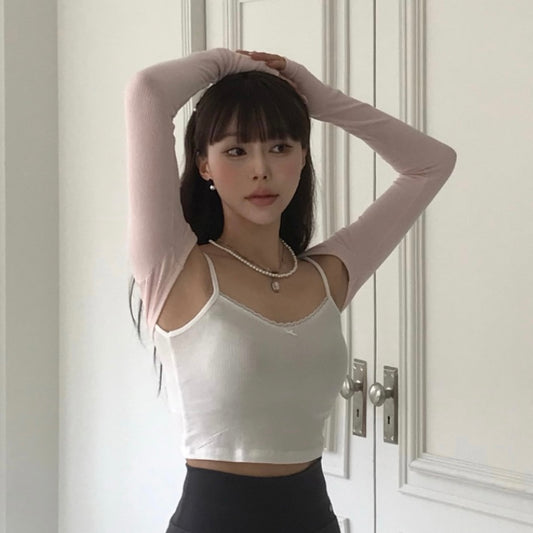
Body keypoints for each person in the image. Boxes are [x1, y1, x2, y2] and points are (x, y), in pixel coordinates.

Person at [124, 47, 457, 533]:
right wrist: (231, 63)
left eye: (280, 147)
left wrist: (321, 100)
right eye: (236, 151)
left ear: (303, 156)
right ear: (204, 165)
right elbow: (147, 92)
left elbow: (432, 163)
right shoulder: (176, 269)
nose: (261, 168)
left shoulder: (326, 277)